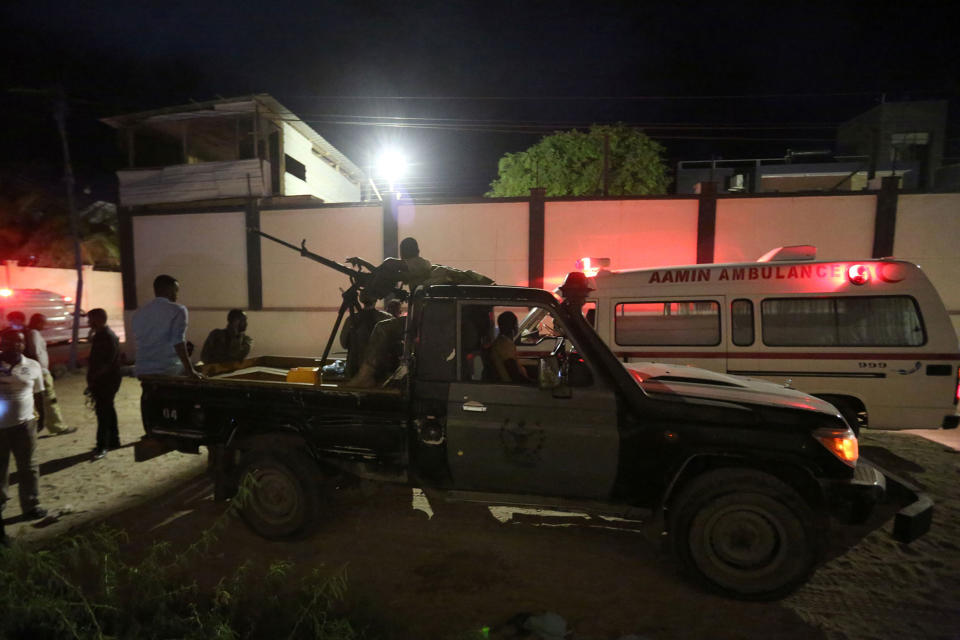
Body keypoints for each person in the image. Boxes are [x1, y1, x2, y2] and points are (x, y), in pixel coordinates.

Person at [0, 328, 48, 526]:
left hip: (25, 424)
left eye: (19, 341)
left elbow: (38, 393)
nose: (16, 345)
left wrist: (42, 417)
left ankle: (31, 505)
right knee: (0, 469)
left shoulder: (33, 365)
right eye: (10, 341)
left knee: (28, 467)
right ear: (1, 342)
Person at [8, 312, 75, 436]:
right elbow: (35, 353)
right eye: (43, 322)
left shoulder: (30, 333)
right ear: (38, 322)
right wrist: (39, 370)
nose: (44, 325)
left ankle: (37, 426)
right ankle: (58, 426)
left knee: (36, 401)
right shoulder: (33, 333)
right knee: (49, 400)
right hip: (41, 372)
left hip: (38, 372)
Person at [131, 275, 201, 378]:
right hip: (168, 369)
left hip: (142, 369)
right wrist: (190, 370)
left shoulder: (139, 313)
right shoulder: (178, 310)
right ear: (168, 290)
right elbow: (178, 342)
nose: (177, 295)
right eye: (176, 291)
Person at [86, 309, 122, 460]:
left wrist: (94, 379)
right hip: (106, 379)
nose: (89, 323)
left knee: (102, 413)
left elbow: (107, 363)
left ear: (99, 320)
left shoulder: (106, 336)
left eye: (91, 320)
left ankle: (102, 446)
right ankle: (114, 440)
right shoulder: (101, 335)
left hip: (106, 381)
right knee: (108, 409)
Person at [339, 291, 391, 378]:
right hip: (378, 369)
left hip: (355, 369)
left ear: (361, 299)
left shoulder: (351, 319)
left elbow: (343, 343)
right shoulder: (386, 318)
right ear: (376, 299)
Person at [489, 311, 530, 383]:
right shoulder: (504, 345)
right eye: (516, 324)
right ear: (513, 327)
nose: (517, 327)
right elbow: (514, 374)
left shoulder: (503, 342)